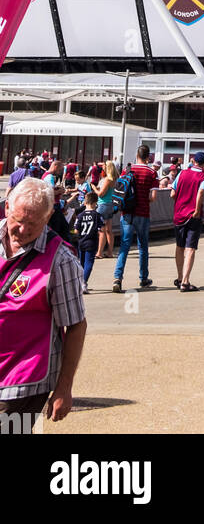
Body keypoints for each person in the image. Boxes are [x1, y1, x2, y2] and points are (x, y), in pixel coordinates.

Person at [0, 178, 87, 433]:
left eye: (33, 223)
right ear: (7, 208)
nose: (23, 230)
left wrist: (64, 387)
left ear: (48, 218)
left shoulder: (61, 261)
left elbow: (76, 325)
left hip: (24, 379)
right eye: (18, 220)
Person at [113, 142, 159, 294]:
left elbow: (120, 190)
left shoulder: (127, 170)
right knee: (143, 246)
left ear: (137, 155)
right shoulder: (152, 173)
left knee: (124, 246)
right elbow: (153, 197)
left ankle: (117, 278)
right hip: (143, 214)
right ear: (148, 157)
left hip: (126, 214)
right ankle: (143, 277)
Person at [171, 150, 204, 292]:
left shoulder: (182, 173)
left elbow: (172, 193)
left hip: (178, 215)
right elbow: (200, 193)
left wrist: (180, 203)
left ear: (194, 161)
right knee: (190, 248)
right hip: (193, 216)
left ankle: (180, 277)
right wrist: (197, 209)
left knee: (179, 246)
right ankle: (185, 282)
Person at [71, 191, 103, 292]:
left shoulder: (80, 215)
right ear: (94, 203)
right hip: (91, 242)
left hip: (81, 241)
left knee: (82, 263)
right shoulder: (96, 215)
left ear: (85, 202)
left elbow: (76, 230)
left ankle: (80, 282)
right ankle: (83, 282)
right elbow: (101, 228)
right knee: (89, 263)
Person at [95, 159, 118, 259]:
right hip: (110, 204)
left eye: (104, 165)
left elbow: (101, 194)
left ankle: (99, 252)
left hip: (103, 205)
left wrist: (94, 188)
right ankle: (109, 252)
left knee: (101, 230)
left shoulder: (107, 179)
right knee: (109, 230)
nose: (102, 167)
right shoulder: (114, 179)